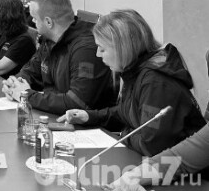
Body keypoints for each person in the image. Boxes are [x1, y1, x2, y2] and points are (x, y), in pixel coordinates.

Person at [57, 10, 205, 157]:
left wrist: (123, 134)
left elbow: (151, 145)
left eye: (102, 48)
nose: (97, 54)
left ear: (123, 49)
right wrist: (89, 116)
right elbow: (126, 112)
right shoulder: (135, 70)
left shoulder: (156, 83)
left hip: (184, 169)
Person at [2, 0, 115, 115]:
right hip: (53, 115)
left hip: (80, 123)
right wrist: (14, 84)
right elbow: (30, 71)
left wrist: (26, 95)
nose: (32, 22)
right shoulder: (48, 40)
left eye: (34, 18)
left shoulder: (86, 49)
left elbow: (78, 103)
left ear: (48, 22)